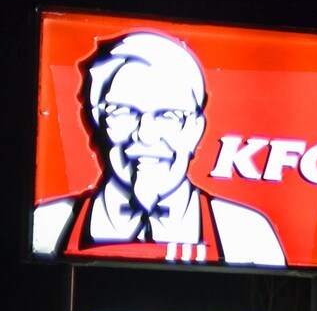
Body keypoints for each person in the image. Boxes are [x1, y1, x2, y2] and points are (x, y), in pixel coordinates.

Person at [31, 30, 285, 266]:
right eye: (124, 112)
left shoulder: (247, 234)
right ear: (97, 122)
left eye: (169, 116)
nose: (146, 135)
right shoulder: (48, 226)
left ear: (196, 129)